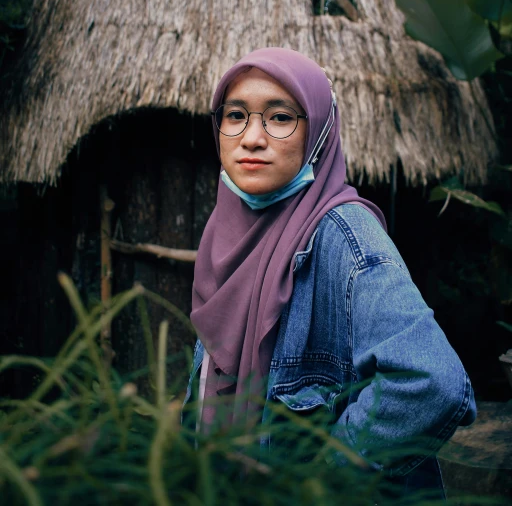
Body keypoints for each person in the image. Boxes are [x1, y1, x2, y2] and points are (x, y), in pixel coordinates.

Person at [186, 47, 476, 497]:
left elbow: (432, 383)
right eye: (236, 115)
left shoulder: (344, 235)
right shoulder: (225, 232)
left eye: (280, 118)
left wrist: (317, 479)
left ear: (318, 133)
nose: (252, 137)